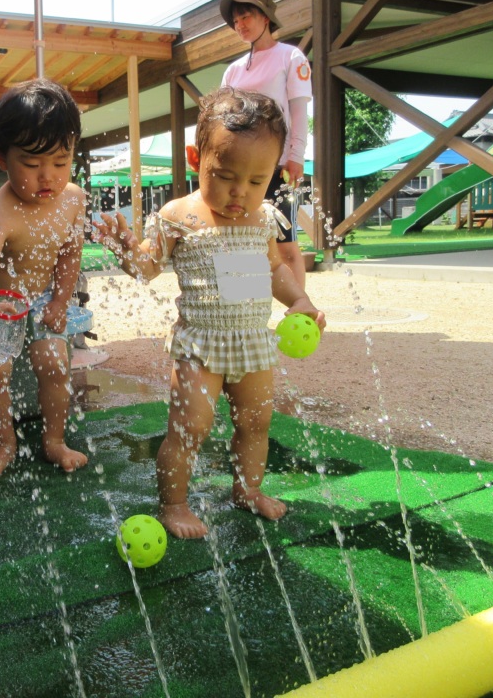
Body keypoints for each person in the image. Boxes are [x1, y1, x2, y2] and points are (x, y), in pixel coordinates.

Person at [93, 87, 326, 540]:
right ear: (195, 158)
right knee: (190, 427)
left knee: (256, 423)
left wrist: (300, 300)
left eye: (257, 181)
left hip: (252, 342)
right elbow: (147, 268)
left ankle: (248, 489)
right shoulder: (180, 215)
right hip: (200, 344)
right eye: (225, 176)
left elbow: (274, 268)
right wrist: (127, 251)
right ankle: (174, 504)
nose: (240, 192)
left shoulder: (263, 219)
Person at [0, 78, 89, 477]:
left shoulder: (73, 200)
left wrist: (60, 301)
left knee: (55, 365)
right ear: (1, 158)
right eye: (33, 165)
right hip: (0, 300)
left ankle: (54, 441)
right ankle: (4, 443)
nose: (48, 176)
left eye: (61, 162)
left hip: (45, 295)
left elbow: (70, 254)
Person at [220, 0, 313, 287]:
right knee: (239, 239)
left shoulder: (291, 57)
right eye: (236, 21)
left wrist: (296, 156)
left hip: (277, 164)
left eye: (246, 17)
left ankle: (299, 307)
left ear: (265, 17)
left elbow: (299, 113)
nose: (240, 25)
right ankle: (244, 305)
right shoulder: (233, 70)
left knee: (284, 242)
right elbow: (223, 121)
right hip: (239, 168)